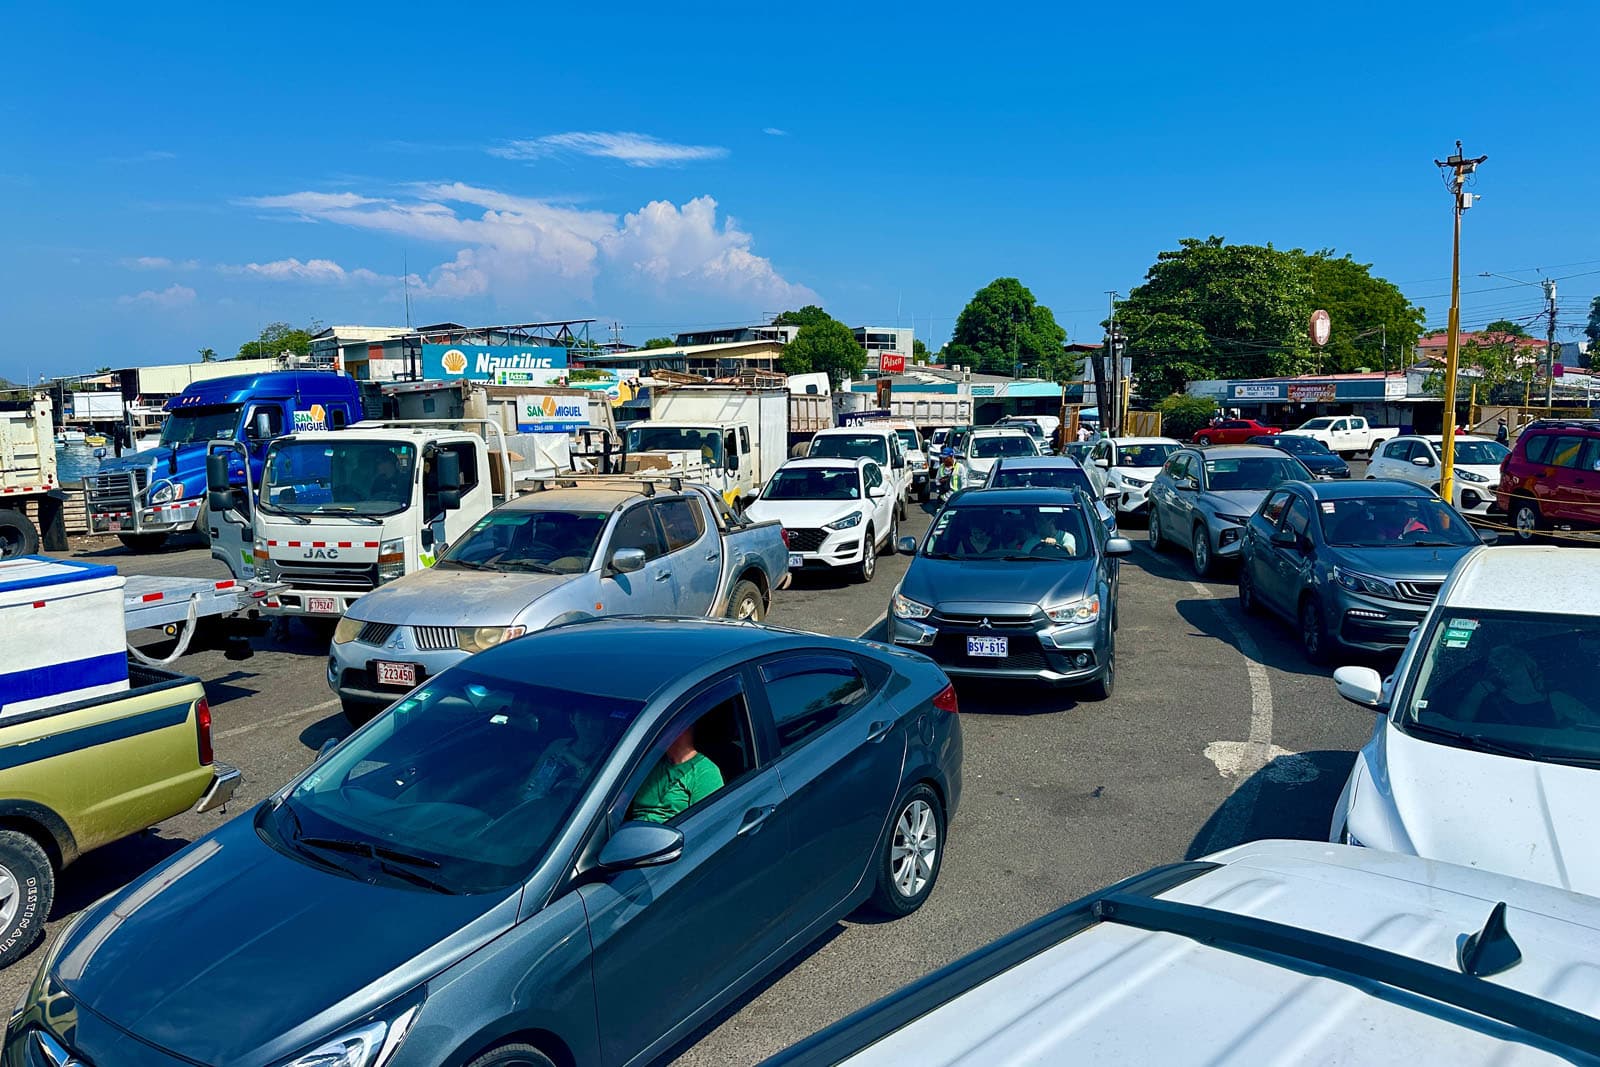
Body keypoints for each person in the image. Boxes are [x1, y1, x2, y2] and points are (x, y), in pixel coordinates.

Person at [1458, 646, 1583, 729]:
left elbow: (1592, 728)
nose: (1503, 665)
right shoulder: (1484, 693)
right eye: (1496, 662)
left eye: (1510, 659)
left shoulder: (1557, 700)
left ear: (1528, 664)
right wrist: (1478, 692)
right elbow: (1458, 727)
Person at [627, 723, 724, 824]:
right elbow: (620, 802)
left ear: (683, 728)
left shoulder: (705, 772)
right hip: (632, 831)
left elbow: (705, 824)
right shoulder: (650, 763)